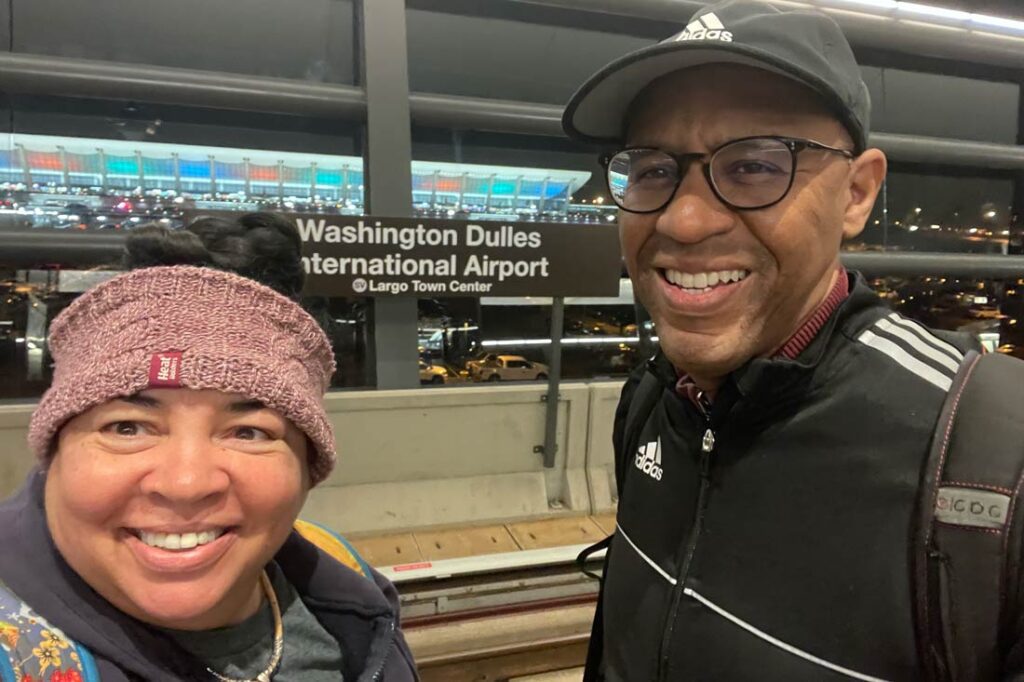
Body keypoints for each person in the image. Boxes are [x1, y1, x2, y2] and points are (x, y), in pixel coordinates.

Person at [562, 0, 1024, 680]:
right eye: (654, 169)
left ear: (857, 194)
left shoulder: (994, 457)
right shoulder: (655, 401)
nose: (684, 221)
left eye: (754, 165)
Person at [0, 212, 418, 681]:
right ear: (54, 452)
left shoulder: (347, 583)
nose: (186, 484)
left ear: (307, 466)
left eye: (248, 433)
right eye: (127, 428)